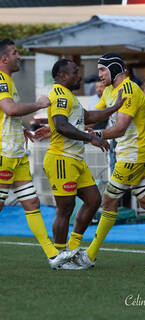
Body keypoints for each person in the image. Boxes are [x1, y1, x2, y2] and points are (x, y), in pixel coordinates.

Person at [72, 53, 145, 270]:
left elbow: (119, 128)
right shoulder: (110, 90)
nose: (99, 75)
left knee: (109, 201)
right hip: (134, 152)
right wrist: (65, 113)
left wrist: (95, 136)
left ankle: (89, 256)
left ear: (115, 69)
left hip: (133, 154)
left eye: (102, 70)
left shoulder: (128, 90)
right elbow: (94, 115)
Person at [37, 58, 125, 269]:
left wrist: (114, 108)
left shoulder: (70, 97)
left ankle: (73, 248)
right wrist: (91, 138)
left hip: (75, 159)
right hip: (61, 159)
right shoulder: (58, 94)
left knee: (94, 200)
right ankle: (59, 256)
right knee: (65, 208)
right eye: (75, 72)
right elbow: (61, 126)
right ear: (61, 76)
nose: (80, 75)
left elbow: (87, 116)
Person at [0, 38, 79, 269]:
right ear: (4, 59)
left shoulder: (8, 81)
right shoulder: (1, 80)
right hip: (4, 153)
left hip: (16, 152)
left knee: (33, 202)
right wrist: (38, 104)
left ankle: (53, 256)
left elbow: (7, 115)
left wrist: (19, 128)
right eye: (15, 53)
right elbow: (10, 108)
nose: (20, 57)